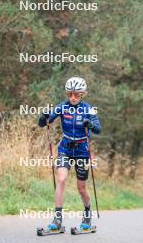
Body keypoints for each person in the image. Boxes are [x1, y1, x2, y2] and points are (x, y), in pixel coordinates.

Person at [38, 76, 101, 230]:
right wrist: (43, 117)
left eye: (76, 94)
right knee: (61, 178)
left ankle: (87, 213)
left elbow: (98, 129)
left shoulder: (89, 109)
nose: (72, 97)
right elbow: (44, 122)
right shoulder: (62, 107)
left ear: (83, 93)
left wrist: (90, 124)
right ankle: (57, 220)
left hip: (82, 150)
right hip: (65, 148)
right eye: (70, 94)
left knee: (81, 187)